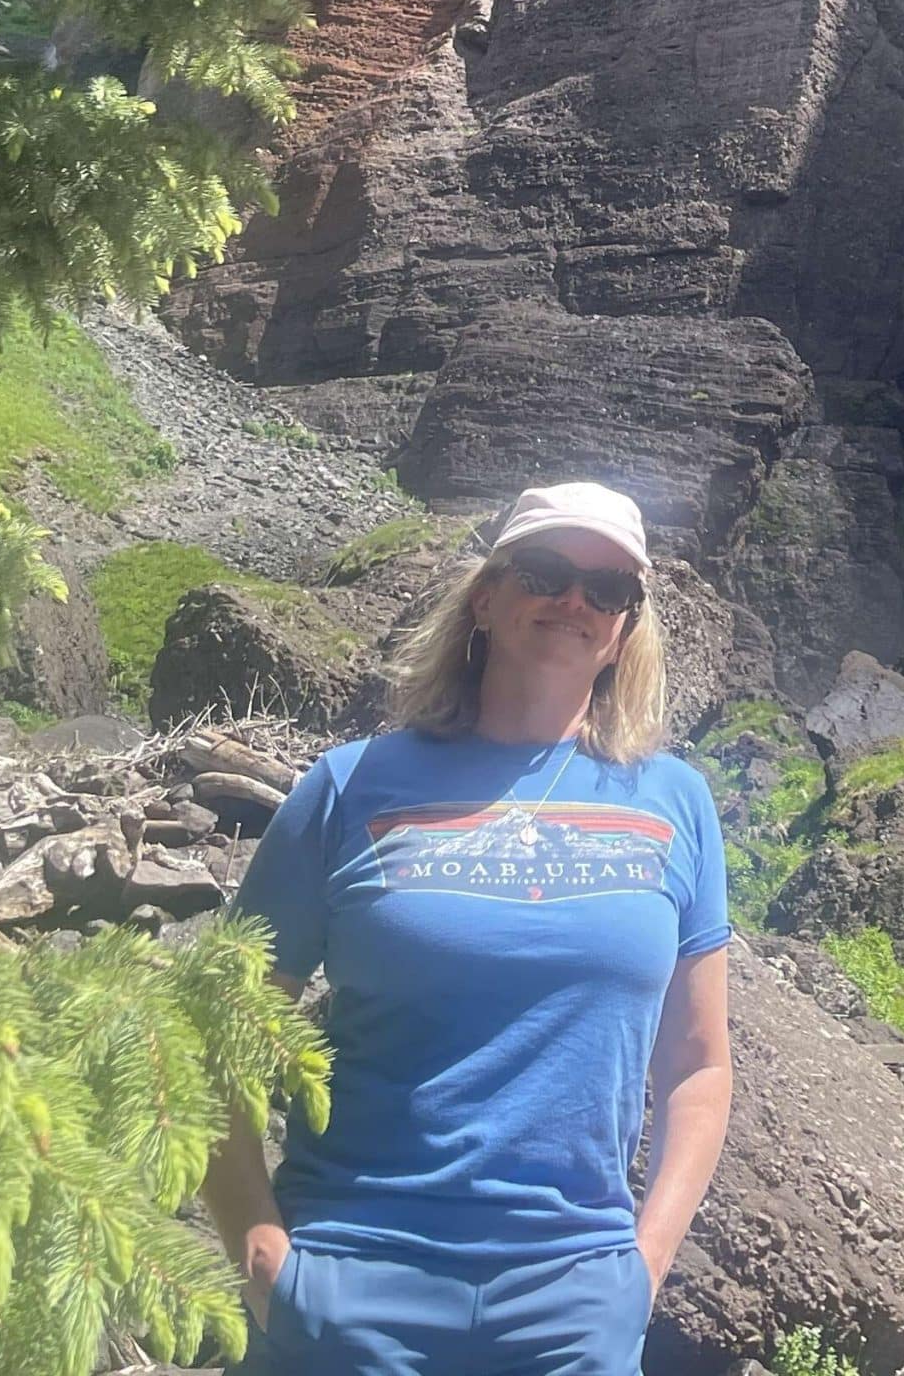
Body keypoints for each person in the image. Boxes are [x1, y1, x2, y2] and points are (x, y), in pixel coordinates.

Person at [203, 481, 734, 1375]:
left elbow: (698, 1064)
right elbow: (215, 1035)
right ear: (485, 596)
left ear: (627, 627)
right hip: (348, 1281)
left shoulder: (676, 803)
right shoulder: (348, 785)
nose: (576, 601)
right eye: (547, 571)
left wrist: (641, 1272)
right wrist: (262, 1256)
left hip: (570, 1304)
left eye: (609, 590)